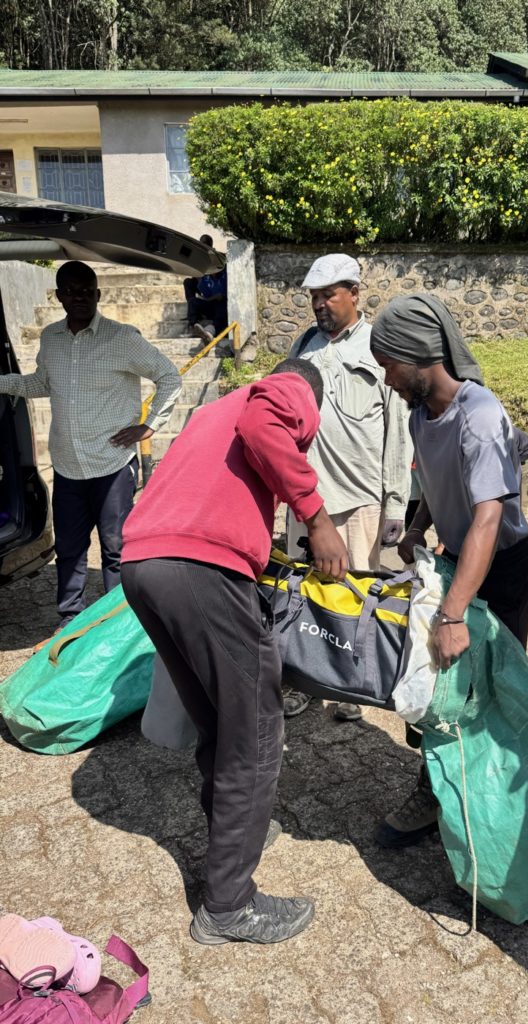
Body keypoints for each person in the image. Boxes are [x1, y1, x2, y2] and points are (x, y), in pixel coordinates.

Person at [121, 358, 349, 946]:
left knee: (221, 722)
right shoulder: (286, 390)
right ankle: (228, 906)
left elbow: (213, 484)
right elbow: (265, 428)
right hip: (197, 568)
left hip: (144, 563)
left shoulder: (211, 411)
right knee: (257, 727)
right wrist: (316, 518)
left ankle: (232, 831)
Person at [369, 294, 528, 848]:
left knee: (488, 695)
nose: (386, 378)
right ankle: (436, 792)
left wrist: (452, 613)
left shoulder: (481, 416)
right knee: (439, 688)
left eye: (389, 364)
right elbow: (434, 485)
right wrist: (419, 527)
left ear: (418, 355)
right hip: (454, 560)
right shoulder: (423, 413)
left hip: (501, 568)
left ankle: (494, 813)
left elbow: (490, 517)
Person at [0, 260, 181, 626]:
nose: (80, 297)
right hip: (68, 465)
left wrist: (149, 426)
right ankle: (72, 621)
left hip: (111, 464)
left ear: (98, 294)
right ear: (60, 296)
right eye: (71, 291)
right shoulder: (50, 338)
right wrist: (5, 383)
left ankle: (118, 621)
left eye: (87, 291)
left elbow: (169, 376)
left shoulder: (123, 339)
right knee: (69, 549)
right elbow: (42, 384)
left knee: (115, 548)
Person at [282, 253, 412, 722]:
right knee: (300, 593)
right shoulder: (304, 345)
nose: (319, 305)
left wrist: (396, 502)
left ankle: (349, 686)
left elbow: (398, 427)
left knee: (354, 596)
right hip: (307, 499)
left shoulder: (380, 346)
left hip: (360, 499)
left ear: (355, 294)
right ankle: (303, 682)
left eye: (328, 295)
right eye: (314, 297)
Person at [183, 234, 228, 342]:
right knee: (193, 300)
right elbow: (205, 295)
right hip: (211, 302)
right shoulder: (205, 278)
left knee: (222, 308)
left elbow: (223, 296)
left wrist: (216, 297)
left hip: (222, 305)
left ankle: (210, 331)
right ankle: (194, 325)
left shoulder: (224, 275)